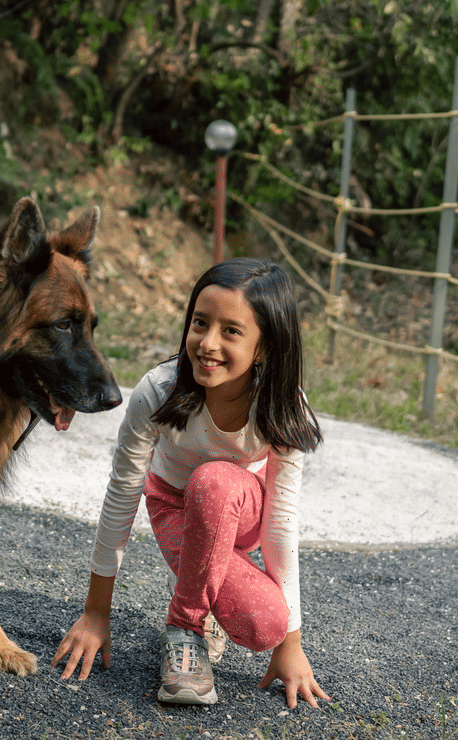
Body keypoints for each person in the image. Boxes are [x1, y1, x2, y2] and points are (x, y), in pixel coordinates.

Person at [52, 258, 332, 708]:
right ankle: (186, 630)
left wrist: (290, 645)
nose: (208, 343)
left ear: (264, 347)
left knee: (268, 625)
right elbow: (123, 493)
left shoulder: (282, 405)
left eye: (231, 331)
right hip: (174, 506)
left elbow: (280, 521)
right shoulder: (158, 391)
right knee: (211, 494)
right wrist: (95, 612)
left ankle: (195, 590)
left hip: (243, 515)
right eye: (200, 324)